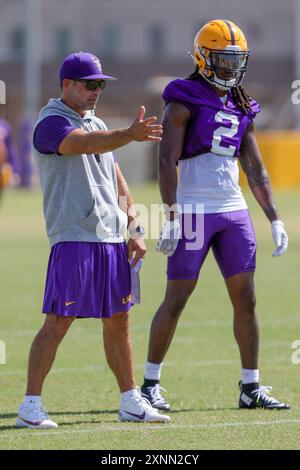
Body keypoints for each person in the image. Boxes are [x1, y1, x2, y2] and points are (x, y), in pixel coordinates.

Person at [141, 20, 290, 411]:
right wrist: (171, 215)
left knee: (247, 298)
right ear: (203, 59)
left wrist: (274, 217)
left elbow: (255, 167)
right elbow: (166, 159)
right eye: (223, 60)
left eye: (236, 60)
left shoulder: (241, 101)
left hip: (232, 210)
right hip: (192, 208)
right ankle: (149, 384)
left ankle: (250, 387)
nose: (230, 68)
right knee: (177, 297)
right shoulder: (182, 98)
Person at [16, 51, 170, 428]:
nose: (97, 91)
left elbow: (115, 178)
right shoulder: (50, 123)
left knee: (119, 320)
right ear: (67, 84)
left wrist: (133, 228)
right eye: (91, 84)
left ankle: (131, 400)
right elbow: (84, 145)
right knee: (59, 320)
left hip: (109, 238)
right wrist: (128, 136)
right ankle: (30, 407)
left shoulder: (94, 121)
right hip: (73, 237)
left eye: (101, 84)